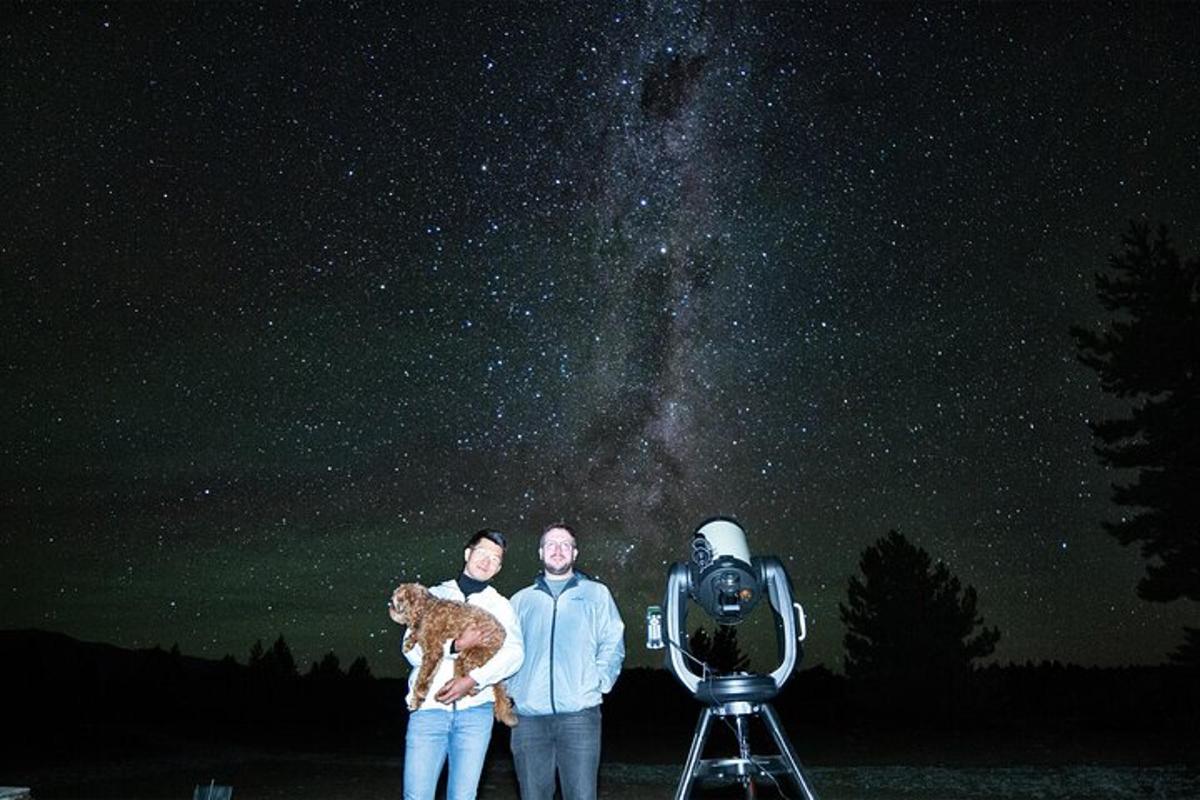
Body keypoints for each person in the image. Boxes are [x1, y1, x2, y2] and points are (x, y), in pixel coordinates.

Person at [389, 529, 524, 800]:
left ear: (499, 568)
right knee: (416, 794)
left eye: (495, 559)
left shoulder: (500, 605)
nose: (487, 562)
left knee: (463, 796)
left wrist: (474, 679)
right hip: (428, 710)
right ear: (467, 553)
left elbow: (514, 653)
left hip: (475, 714)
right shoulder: (431, 595)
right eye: (482, 553)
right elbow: (412, 651)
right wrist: (455, 646)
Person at [507, 522, 625, 800]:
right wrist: (511, 690)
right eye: (551, 544)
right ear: (540, 552)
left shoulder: (596, 594)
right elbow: (506, 650)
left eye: (565, 545)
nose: (557, 550)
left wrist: (598, 682)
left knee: (582, 795)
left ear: (574, 553)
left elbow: (613, 641)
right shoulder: (520, 601)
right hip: (527, 718)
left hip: (579, 716)